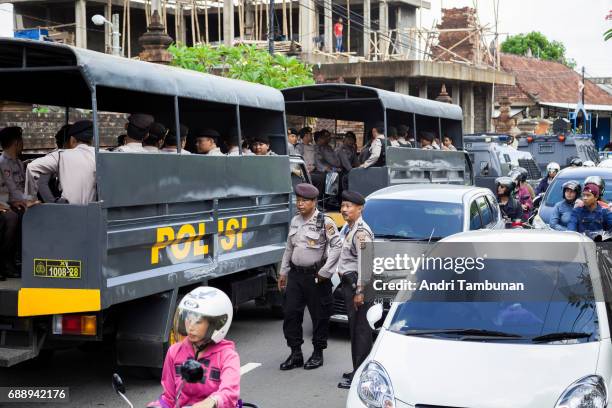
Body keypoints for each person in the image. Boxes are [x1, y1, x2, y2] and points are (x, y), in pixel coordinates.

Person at [279, 183, 341, 371]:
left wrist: (326, 272)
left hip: (317, 277)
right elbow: (289, 248)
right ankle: (295, 353)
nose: (300, 204)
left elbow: (337, 246)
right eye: (298, 200)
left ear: (314, 202)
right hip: (296, 275)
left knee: (320, 316)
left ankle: (317, 353)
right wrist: (283, 271)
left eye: (305, 201)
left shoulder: (325, 221)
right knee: (291, 314)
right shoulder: (295, 221)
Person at [150, 286, 240, 408]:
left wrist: (212, 402)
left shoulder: (227, 356)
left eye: (198, 321)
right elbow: (169, 397)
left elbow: (229, 393)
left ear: (215, 324)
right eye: (188, 319)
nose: (190, 326)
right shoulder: (175, 352)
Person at [336, 190, 374, 389]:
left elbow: (365, 265)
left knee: (360, 331)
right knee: (355, 329)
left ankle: (360, 376)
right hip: (350, 284)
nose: (344, 210)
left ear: (360, 209)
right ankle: (357, 369)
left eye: (348, 206)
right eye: (343, 206)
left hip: (358, 286)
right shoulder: (350, 228)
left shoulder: (361, 232)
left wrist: (360, 291)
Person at [33, 120, 97, 205]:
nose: (60, 147)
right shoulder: (56, 157)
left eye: (59, 143)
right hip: (62, 202)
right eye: (58, 143)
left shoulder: (86, 156)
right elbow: (41, 182)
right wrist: (54, 203)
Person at [0, 127, 28, 212]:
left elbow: (24, 186)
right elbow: (13, 190)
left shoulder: (19, 162)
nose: (23, 144)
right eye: (21, 140)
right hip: (12, 204)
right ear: (16, 142)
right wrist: (29, 200)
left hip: (22, 200)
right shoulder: (3, 163)